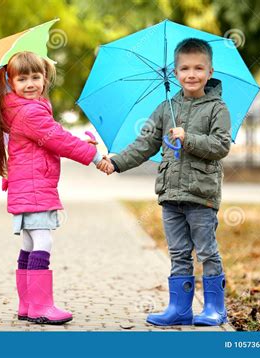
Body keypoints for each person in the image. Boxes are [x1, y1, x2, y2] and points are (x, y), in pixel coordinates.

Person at [98, 38, 231, 326]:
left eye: (199, 68)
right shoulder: (165, 108)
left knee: (207, 250)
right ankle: (180, 308)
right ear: (174, 72)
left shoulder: (217, 108)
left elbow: (221, 146)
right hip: (171, 195)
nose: (191, 74)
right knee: (178, 252)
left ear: (210, 72)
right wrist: (117, 161)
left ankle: (214, 308)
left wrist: (189, 138)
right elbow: (144, 143)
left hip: (201, 196)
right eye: (185, 68)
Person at [0, 51, 109, 325]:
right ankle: (41, 306)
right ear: (11, 81)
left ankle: (27, 304)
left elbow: (54, 138)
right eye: (22, 79)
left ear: (45, 78)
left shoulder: (21, 108)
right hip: (34, 188)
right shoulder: (30, 111)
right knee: (43, 240)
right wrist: (95, 157)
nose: (30, 83)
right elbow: (59, 140)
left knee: (30, 242)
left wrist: (81, 144)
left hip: (28, 186)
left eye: (36, 76)